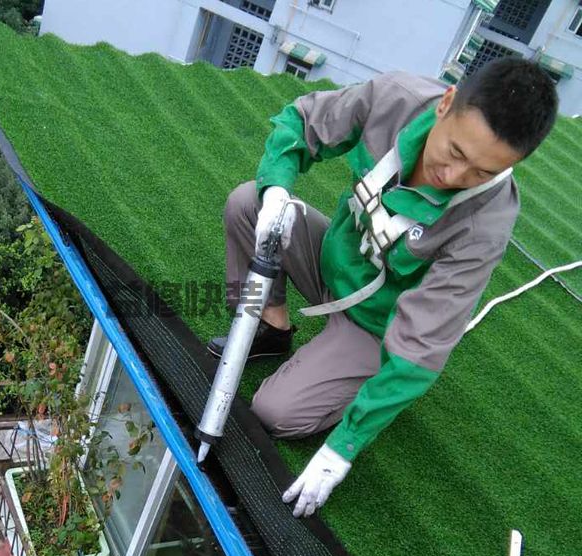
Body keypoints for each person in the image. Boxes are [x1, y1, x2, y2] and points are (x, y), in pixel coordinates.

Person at [207, 57, 558, 518]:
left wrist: (342, 448)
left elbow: (419, 350)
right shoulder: (397, 98)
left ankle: (352, 374)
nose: (454, 177)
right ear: (446, 104)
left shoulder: (485, 226)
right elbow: (303, 121)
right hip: (331, 261)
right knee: (249, 203)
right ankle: (272, 328)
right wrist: (277, 190)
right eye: (454, 152)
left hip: (374, 325)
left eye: (481, 172)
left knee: (277, 412)